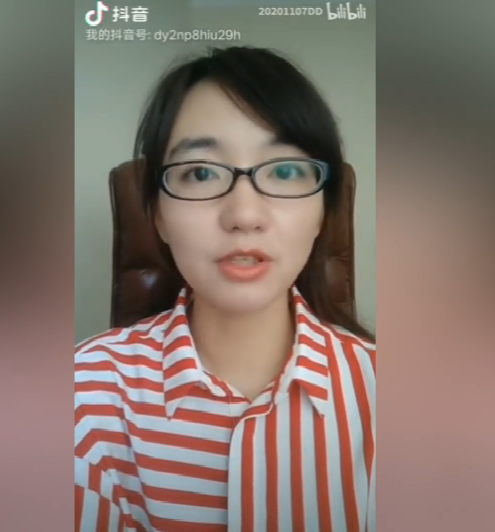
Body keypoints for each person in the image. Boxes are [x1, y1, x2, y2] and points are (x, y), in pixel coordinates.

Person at [74, 46, 376, 531]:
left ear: (324, 211)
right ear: (157, 215)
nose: (244, 215)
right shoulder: (84, 396)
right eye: (200, 172)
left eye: (284, 170)